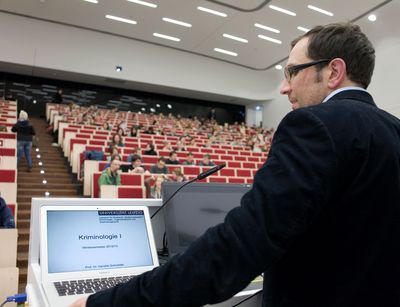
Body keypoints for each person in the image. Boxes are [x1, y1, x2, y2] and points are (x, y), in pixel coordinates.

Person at [72, 22, 400, 307]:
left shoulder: (313, 125)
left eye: (292, 72)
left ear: (333, 71)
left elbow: (236, 248)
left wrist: (111, 301)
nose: (285, 87)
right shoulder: (393, 130)